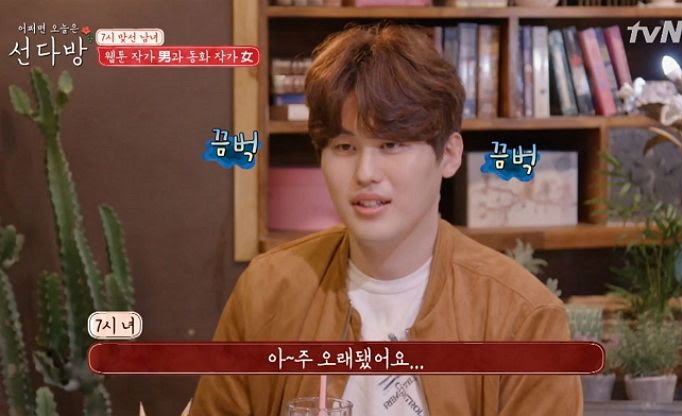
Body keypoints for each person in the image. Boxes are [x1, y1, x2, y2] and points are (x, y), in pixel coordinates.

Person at [191, 23, 583, 416]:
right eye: (345, 146)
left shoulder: (523, 318)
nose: (365, 173)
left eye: (391, 144)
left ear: (449, 155)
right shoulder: (268, 291)